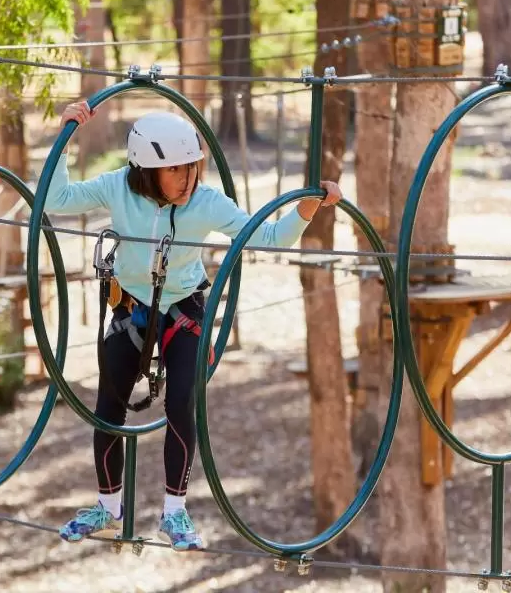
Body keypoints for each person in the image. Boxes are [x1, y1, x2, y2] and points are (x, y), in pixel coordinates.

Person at [49, 101, 342, 551]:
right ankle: (108, 508)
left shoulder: (206, 203)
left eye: (192, 168)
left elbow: (264, 237)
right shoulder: (118, 188)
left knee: (183, 401)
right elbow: (56, 200)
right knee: (108, 404)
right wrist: (67, 136)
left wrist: (304, 211)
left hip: (182, 311)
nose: (187, 179)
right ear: (147, 170)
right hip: (130, 308)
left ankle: (174, 511)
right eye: (175, 171)